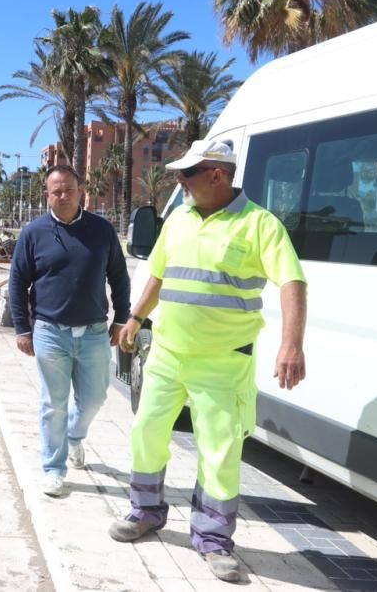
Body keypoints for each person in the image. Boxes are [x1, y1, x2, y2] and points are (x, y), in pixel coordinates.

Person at [108, 140, 308, 583]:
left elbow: (292, 281)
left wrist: (291, 344)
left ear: (217, 174)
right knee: (146, 431)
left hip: (222, 362)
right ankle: (145, 512)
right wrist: (135, 318)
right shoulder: (178, 218)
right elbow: (159, 273)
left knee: (219, 450)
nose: (179, 182)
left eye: (187, 174)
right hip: (167, 354)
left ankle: (213, 539)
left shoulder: (260, 225)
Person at [9, 164, 130, 497]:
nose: (63, 196)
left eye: (69, 190)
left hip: (94, 333)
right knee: (53, 403)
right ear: (47, 195)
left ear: (81, 192)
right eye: (56, 191)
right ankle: (53, 467)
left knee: (95, 398)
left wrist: (122, 317)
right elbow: (17, 281)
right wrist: (22, 328)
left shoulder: (102, 230)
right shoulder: (34, 233)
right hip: (50, 332)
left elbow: (119, 275)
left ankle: (75, 437)